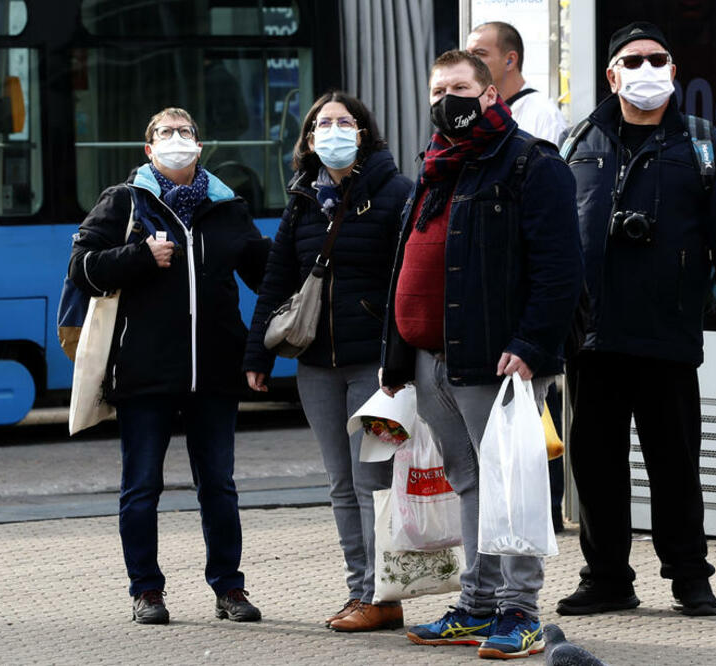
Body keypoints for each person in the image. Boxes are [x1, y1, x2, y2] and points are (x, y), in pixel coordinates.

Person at [556, 22, 716, 618]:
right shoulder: (578, 142)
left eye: (657, 59)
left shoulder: (707, 145)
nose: (646, 69)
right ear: (612, 75)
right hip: (592, 338)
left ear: (673, 71)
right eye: (633, 60)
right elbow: (554, 242)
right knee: (595, 468)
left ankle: (689, 578)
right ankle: (606, 580)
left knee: (674, 465)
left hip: (668, 334)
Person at [380, 50, 583, 660]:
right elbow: (406, 265)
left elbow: (560, 271)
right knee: (470, 483)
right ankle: (477, 604)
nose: (449, 99)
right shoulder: (438, 168)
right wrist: (396, 361)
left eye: (461, 87)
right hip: (431, 359)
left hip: (498, 361)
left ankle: (519, 611)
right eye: (439, 89)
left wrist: (529, 346)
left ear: (490, 94)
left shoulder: (531, 164)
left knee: (511, 485)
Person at [67, 107, 269, 625]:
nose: (176, 140)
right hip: (143, 375)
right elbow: (81, 269)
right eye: (165, 134)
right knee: (141, 487)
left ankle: (229, 588)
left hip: (215, 373)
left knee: (219, 486)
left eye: (185, 133)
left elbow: (265, 277)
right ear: (148, 150)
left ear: (200, 148)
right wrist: (138, 256)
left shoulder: (228, 207)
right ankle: (147, 592)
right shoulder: (124, 201)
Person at [243, 91, 411, 632]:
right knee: (340, 484)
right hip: (315, 364)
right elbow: (277, 282)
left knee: (373, 482)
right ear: (309, 139)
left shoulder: (395, 194)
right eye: (322, 124)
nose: (332, 131)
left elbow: (407, 281)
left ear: (363, 132)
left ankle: (382, 595)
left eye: (344, 122)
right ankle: (360, 590)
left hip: (374, 366)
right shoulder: (301, 200)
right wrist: (258, 356)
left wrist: (400, 356)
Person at [466, 20, 571, 533]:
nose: (473, 58)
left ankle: (543, 512)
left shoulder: (536, 114)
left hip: (523, 298)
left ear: (510, 59)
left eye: (480, 52)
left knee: (534, 423)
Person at [466, 21, 568, 147]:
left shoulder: (544, 115)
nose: (469, 63)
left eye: (479, 54)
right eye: (467, 56)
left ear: (510, 60)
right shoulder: (472, 113)